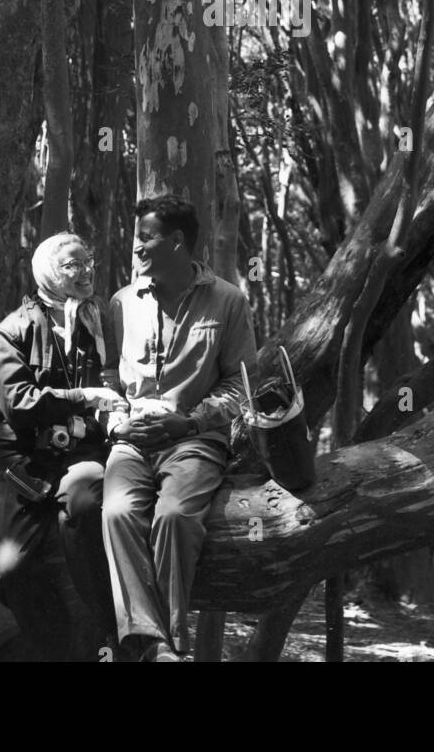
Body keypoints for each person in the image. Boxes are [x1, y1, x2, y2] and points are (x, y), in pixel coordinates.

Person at [102, 195, 258, 662]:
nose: (136, 248)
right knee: (116, 514)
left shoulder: (228, 301)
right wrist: (117, 424)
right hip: (132, 443)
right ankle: (151, 645)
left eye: (145, 238)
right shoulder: (121, 303)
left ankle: (172, 642)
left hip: (194, 441)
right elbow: (108, 377)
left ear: (176, 243)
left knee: (173, 516)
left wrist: (189, 421)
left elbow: (241, 385)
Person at [0, 232, 126, 658]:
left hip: (80, 456)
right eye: (72, 265)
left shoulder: (98, 322)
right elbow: (18, 404)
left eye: (89, 261)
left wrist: (114, 410)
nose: (86, 271)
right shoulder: (13, 329)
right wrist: (82, 396)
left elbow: (114, 383)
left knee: (85, 507)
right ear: (48, 272)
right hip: (20, 464)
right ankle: (60, 651)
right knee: (10, 573)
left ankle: (115, 639)